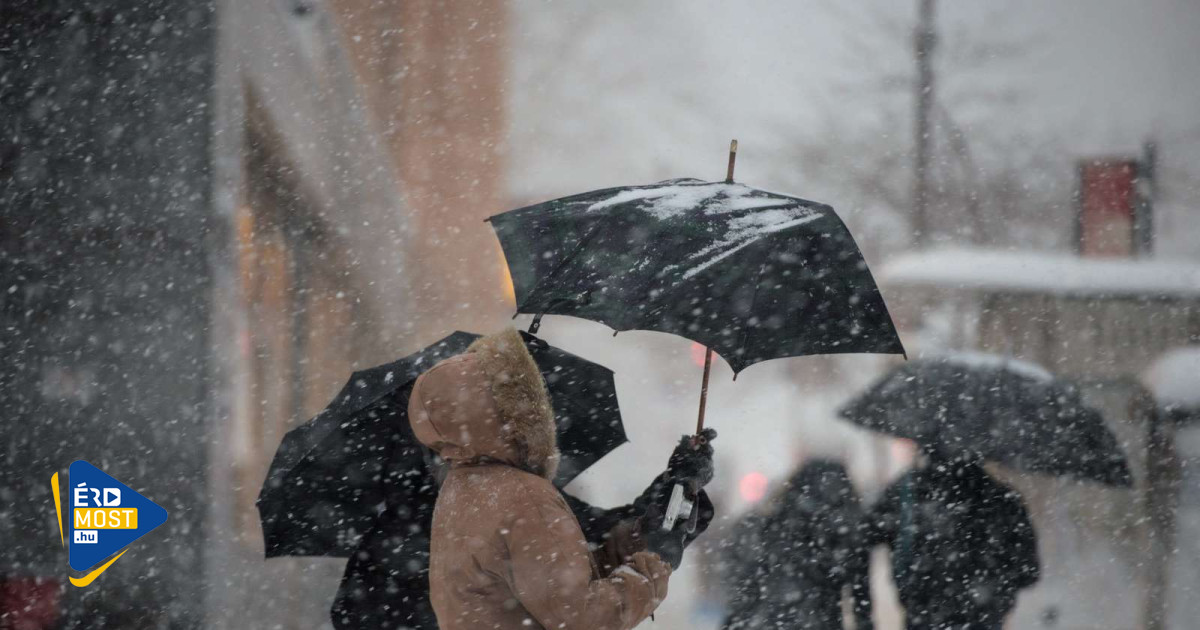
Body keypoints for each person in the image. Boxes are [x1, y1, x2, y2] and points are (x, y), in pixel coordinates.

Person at [394, 328, 711, 630]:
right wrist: (655, 563)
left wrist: (647, 533)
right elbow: (581, 618)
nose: (545, 410)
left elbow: (558, 582)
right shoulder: (521, 495)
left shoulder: (460, 489)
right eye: (534, 399)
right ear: (511, 413)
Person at [868, 451, 1040, 630]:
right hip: (983, 618)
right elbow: (1029, 573)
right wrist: (994, 587)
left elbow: (864, 537)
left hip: (923, 616)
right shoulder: (1004, 499)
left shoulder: (908, 493)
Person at [721, 459, 873, 630]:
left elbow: (748, 584)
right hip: (820, 621)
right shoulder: (846, 525)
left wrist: (734, 620)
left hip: (775, 620)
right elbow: (860, 592)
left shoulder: (776, 524)